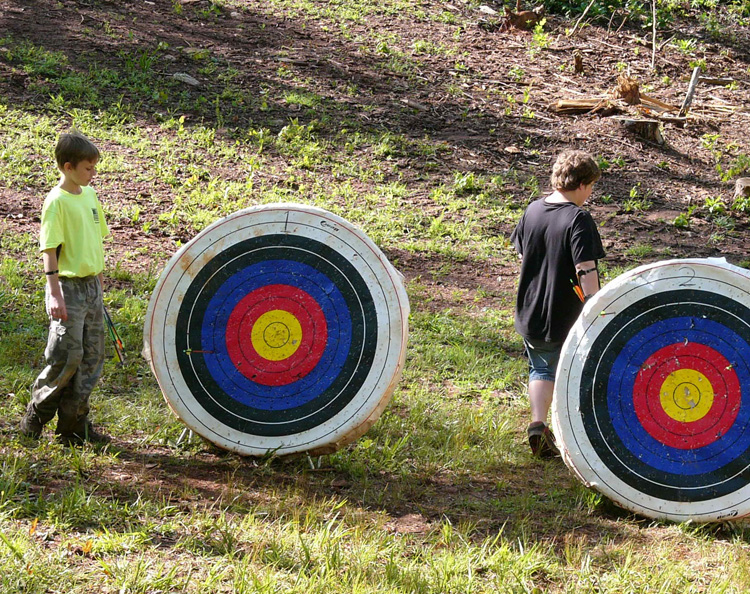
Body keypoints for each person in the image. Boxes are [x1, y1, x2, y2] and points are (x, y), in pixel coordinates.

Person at [510, 149, 604, 457]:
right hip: (564, 313)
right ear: (581, 184)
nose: (590, 194)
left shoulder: (533, 211)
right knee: (575, 373)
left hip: (530, 308)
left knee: (541, 369)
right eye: (591, 187)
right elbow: (585, 268)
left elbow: (523, 254)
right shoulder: (578, 219)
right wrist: (594, 305)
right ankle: (575, 437)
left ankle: (538, 423)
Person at [19, 131, 111, 445]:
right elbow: (49, 249)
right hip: (68, 288)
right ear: (68, 167)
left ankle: (73, 425)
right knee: (66, 356)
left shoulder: (89, 195)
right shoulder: (56, 202)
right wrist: (54, 292)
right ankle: (37, 415)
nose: (93, 173)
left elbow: (96, 238)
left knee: (92, 356)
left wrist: (99, 279)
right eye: (88, 168)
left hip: (91, 288)